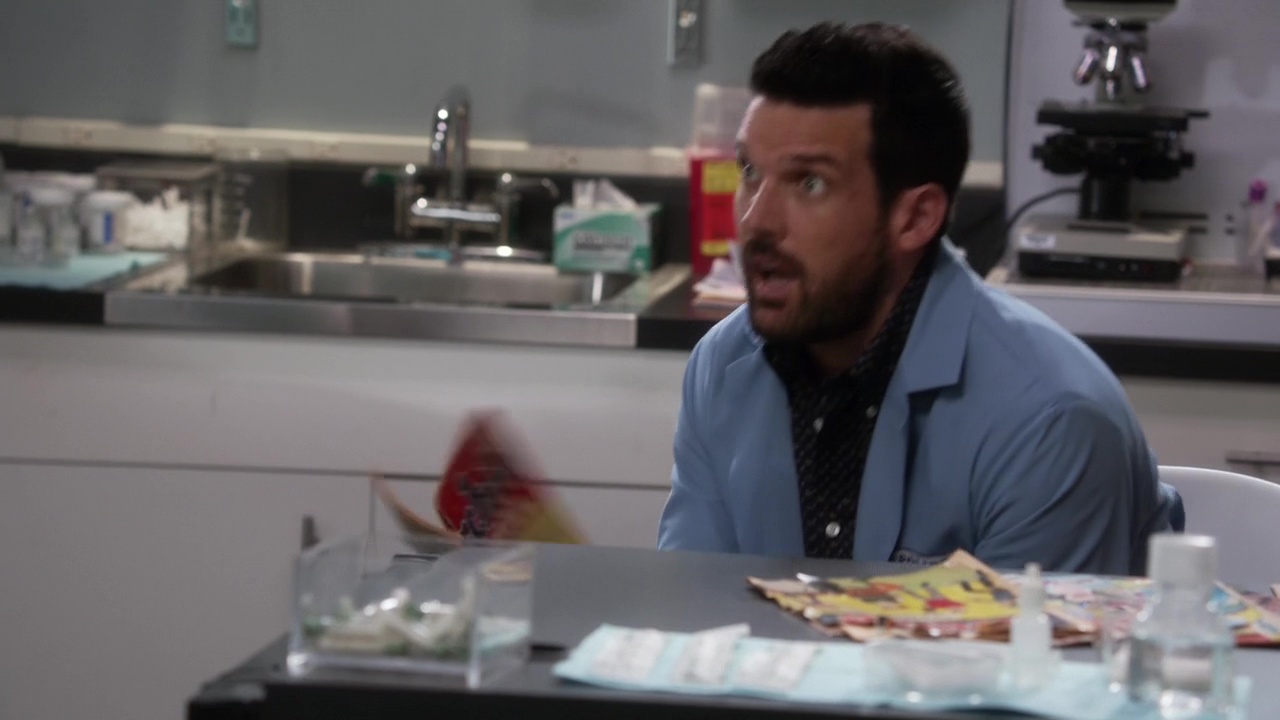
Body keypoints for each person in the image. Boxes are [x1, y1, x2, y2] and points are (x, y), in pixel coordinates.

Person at [657, 21, 1180, 575]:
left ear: (915, 218)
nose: (756, 220)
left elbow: (1026, 635)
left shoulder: (1050, 420)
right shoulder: (722, 366)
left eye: (810, 183)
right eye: (749, 172)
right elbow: (694, 607)